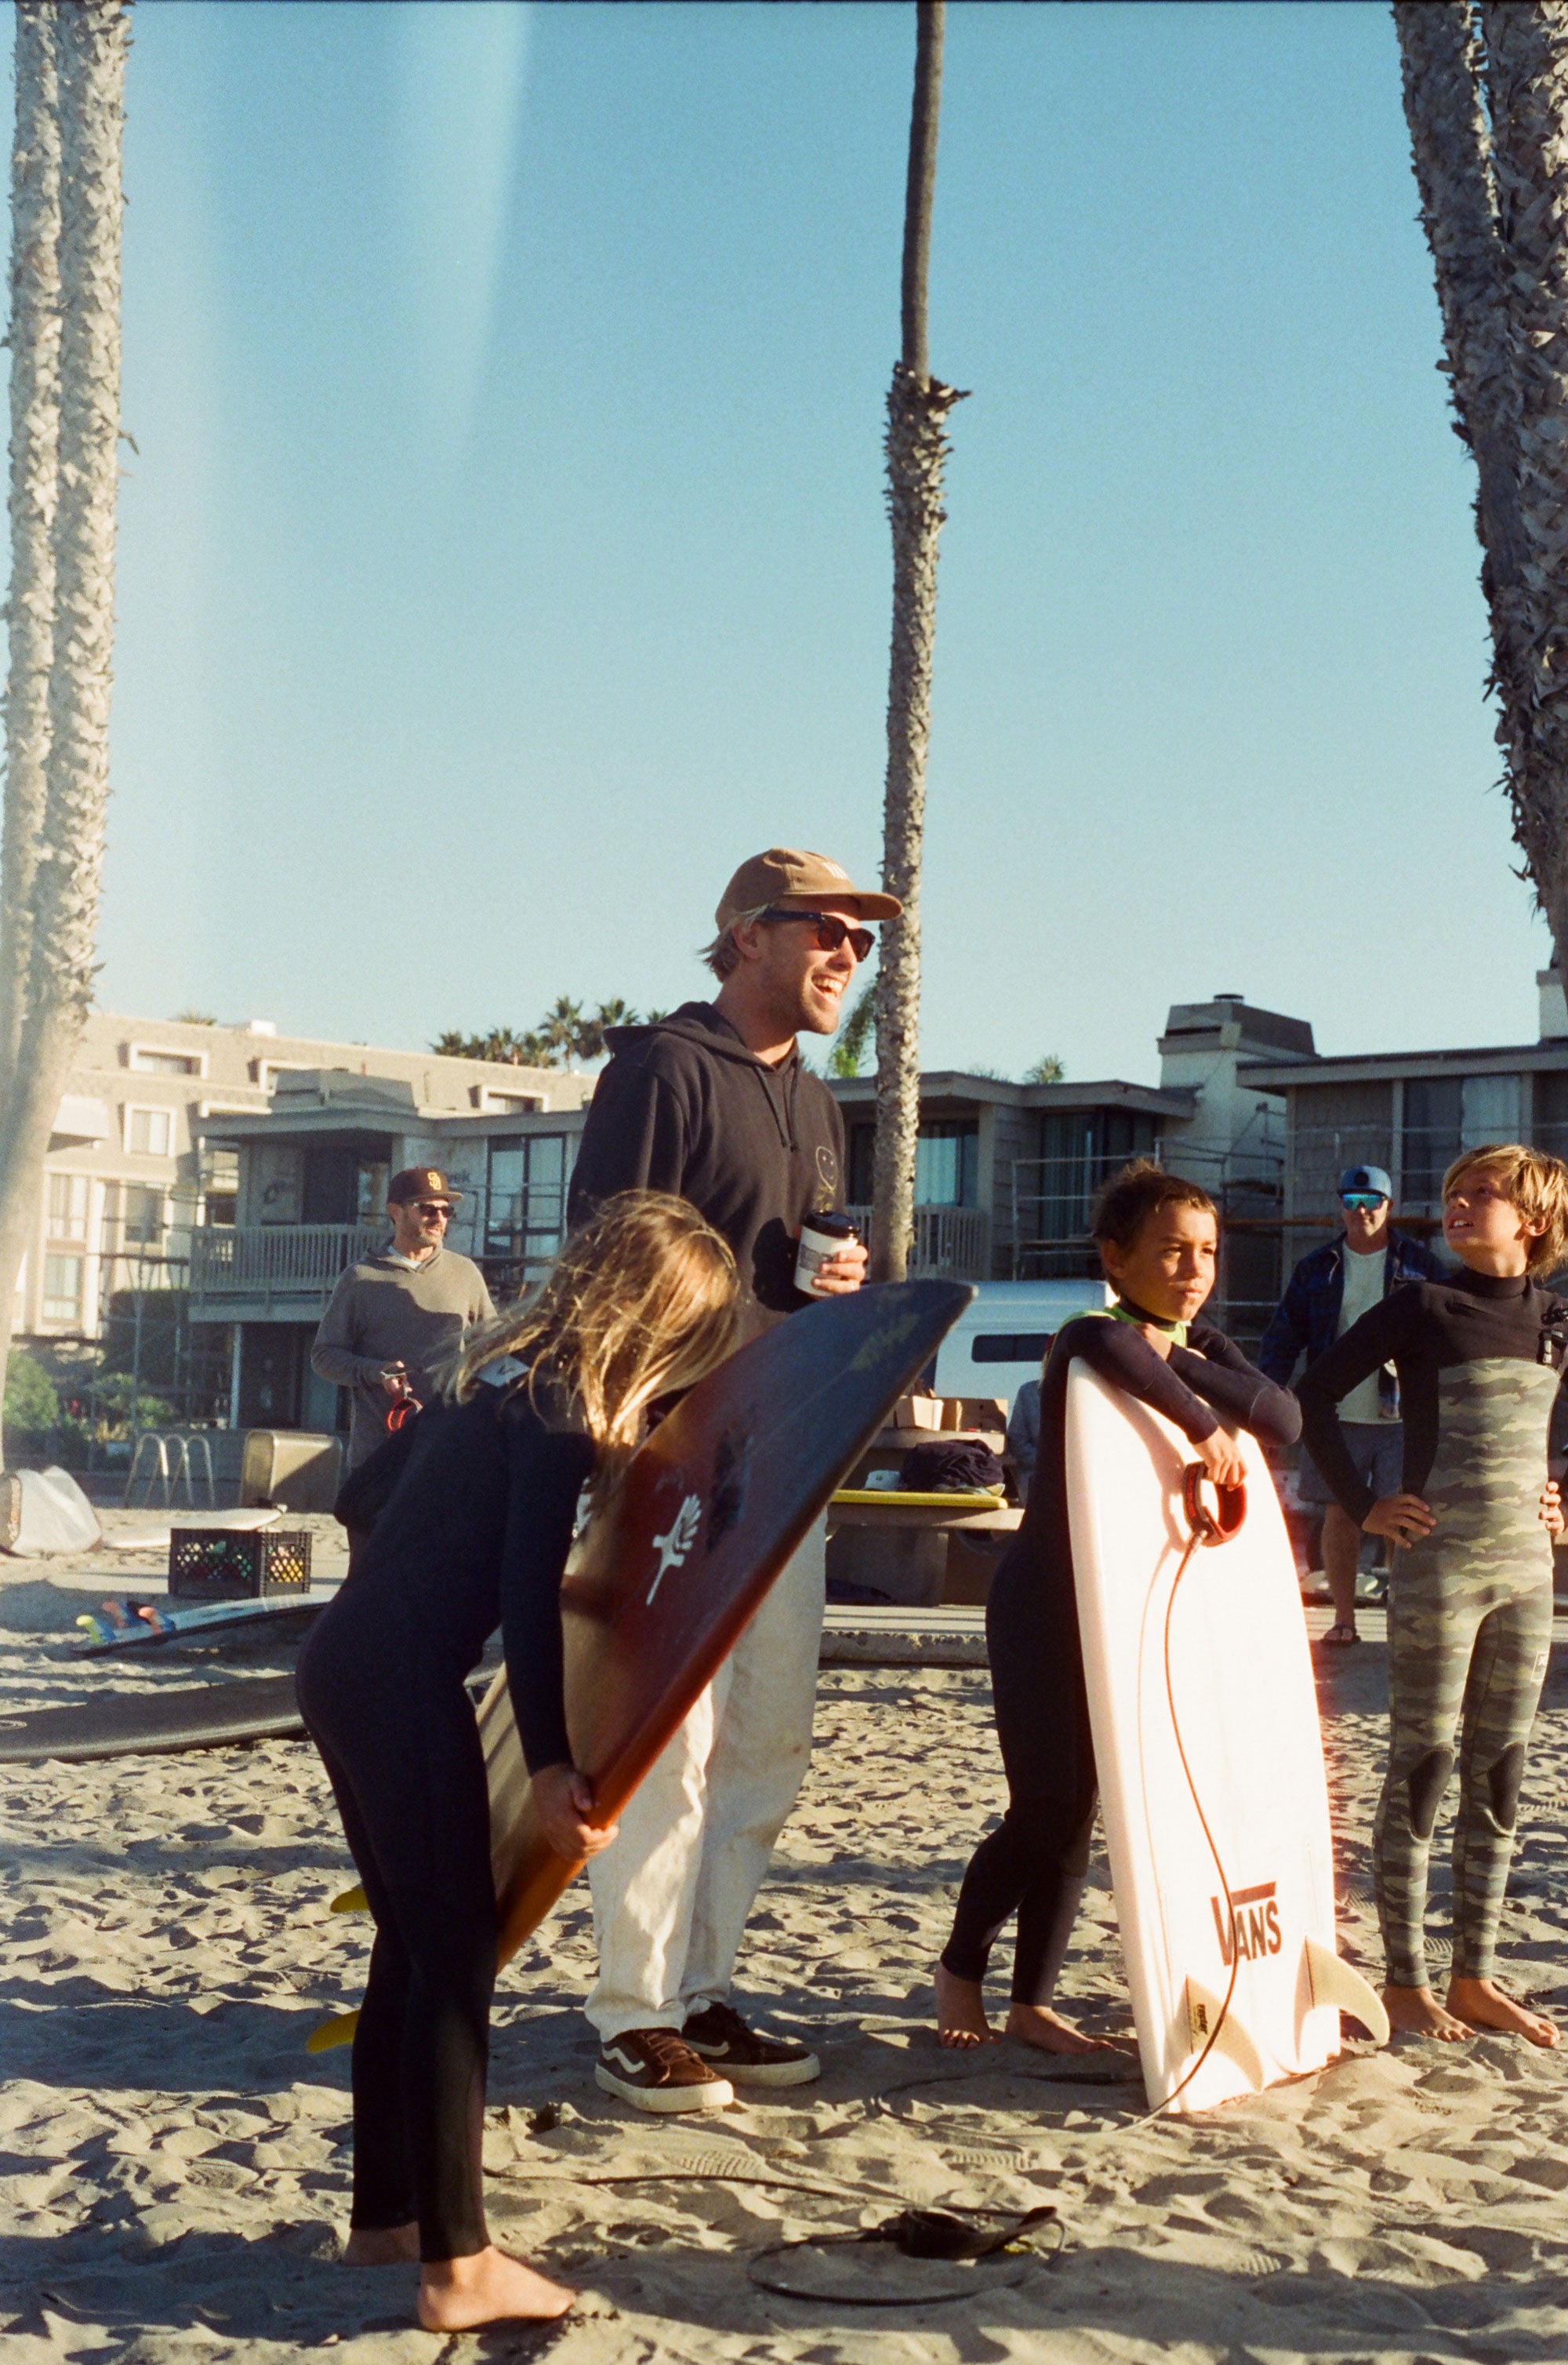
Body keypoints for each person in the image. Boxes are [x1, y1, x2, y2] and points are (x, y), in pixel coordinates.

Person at [295, 1193, 739, 2330]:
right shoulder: (559, 1417)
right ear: (650, 1319)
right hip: (398, 1685)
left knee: (410, 1946)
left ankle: (384, 2221)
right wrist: (550, 1768)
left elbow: (364, 1496)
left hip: (341, 1664)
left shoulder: (499, 1393)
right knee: (454, 1963)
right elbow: (528, 1606)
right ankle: (458, 2264)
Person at [564, 845, 898, 2112]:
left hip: (787, 1454)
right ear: (748, 935)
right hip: (674, 1451)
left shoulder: (816, 1101)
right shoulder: (658, 1068)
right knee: (669, 1746)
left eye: (862, 943)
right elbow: (610, 1266)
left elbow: (792, 1269)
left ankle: (705, 1987)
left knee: (765, 1739)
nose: (847, 959)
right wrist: (617, 1449)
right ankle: (634, 2009)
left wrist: (835, 1289)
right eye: (827, 931)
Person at [935, 1161, 1301, 2054]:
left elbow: (1284, 1418)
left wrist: (1195, 1369)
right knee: (1042, 1807)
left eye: (1207, 1252)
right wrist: (1206, 1424)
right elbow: (1115, 1353)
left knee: (1082, 1808)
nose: (1192, 1270)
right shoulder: (1083, 1336)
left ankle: (1032, 2003)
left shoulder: (1197, 1344)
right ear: (1114, 1255)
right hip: (1040, 1607)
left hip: (1122, 1612)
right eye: (1170, 1251)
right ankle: (957, 1973)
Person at [1297, 1143, 1568, 2048]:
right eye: (1451, 1193)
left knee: (1500, 1772)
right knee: (1422, 1762)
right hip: (1434, 1569)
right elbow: (1313, 1395)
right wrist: (1362, 1505)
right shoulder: (1419, 1305)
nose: (1456, 1205)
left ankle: (1475, 1975)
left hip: (1527, 1573)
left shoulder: (1555, 1319)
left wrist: (1561, 1486)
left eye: (1479, 1194)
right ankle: (1407, 1982)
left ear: (1528, 1219)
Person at [1258, 1164, 1443, 1646]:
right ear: (1340, 1205)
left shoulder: (1420, 1267)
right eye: (1352, 1201)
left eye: (1372, 1201)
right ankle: (1344, 1620)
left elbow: (1449, 1339)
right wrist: (1257, 1409)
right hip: (1333, 1418)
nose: (1361, 1211)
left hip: (1402, 1415)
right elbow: (1282, 1341)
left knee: (1402, 1521)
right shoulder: (1316, 1269)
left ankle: (1402, 1622)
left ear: (1390, 1205)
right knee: (1341, 1514)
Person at [312, 1167, 495, 1469]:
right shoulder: (359, 1278)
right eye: (426, 1209)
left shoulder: (466, 1273)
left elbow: (492, 1351)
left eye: (446, 1210)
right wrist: (376, 1372)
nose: (439, 1219)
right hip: (382, 1457)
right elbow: (323, 1357)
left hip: (450, 1454)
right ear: (395, 1212)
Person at [1004, 1336, 1055, 1499]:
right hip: (1038, 1481)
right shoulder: (1028, 1393)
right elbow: (1017, 1441)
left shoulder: (1085, 1395)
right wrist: (1047, 1463)